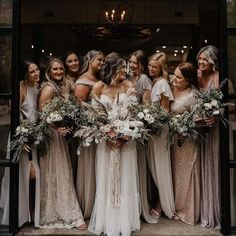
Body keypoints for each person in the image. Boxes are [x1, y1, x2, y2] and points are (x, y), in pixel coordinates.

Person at [88, 52, 140, 236]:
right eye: (120, 70)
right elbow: (93, 117)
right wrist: (106, 134)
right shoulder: (98, 87)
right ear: (110, 70)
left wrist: (124, 137)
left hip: (125, 143)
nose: (124, 73)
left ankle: (124, 221)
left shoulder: (129, 86)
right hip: (105, 144)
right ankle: (106, 220)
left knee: (124, 178)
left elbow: (134, 115)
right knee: (106, 179)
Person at [38, 58, 86, 229]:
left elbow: (74, 104)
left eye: (60, 69)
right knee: (58, 172)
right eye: (55, 69)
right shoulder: (49, 88)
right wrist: (56, 127)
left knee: (62, 172)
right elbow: (42, 113)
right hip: (52, 136)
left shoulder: (63, 86)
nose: (58, 72)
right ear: (49, 72)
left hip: (61, 136)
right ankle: (69, 214)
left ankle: (65, 209)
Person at [0, 61, 41, 227]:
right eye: (32, 72)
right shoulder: (21, 88)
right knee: (21, 176)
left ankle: (30, 213)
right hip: (21, 137)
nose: (37, 73)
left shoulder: (37, 87)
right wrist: (21, 139)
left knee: (32, 176)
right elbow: (15, 116)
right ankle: (17, 216)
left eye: (37, 69)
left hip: (33, 138)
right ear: (25, 74)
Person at [74, 50, 104, 220]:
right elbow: (79, 108)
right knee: (89, 166)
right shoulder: (83, 80)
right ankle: (88, 204)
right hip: (88, 130)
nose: (102, 63)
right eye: (99, 59)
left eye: (103, 60)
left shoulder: (98, 79)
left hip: (99, 129)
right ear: (90, 59)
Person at [128, 50, 157, 224]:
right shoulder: (129, 79)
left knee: (139, 166)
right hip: (127, 126)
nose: (132, 65)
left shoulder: (144, 80)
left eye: (135, 63)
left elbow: (146, 106)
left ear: (142, 65)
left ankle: (141, 206)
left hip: (139, 128)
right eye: (130, 62)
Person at [170, 62, 200, 225]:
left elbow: (197, 120)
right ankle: (172, 205)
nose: (174, 79)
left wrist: (184, 128)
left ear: (188, 80)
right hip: (171, 141)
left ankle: (185, 208)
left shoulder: (192, 95)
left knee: (185, 174)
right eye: (174, 75)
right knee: (173, 173)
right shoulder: (170, 89)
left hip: (186, 142)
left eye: (178, 77)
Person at [147, 52, 175, 219]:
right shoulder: (155, 82)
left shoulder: (163, 83)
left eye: (154, 67)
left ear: (162, 68)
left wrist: (152, 120)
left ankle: (162, 205)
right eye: (149, 65)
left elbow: (166, 110)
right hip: (153, 130)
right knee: (155, 167)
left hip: (160, 131)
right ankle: (159, 200)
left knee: (160, 168)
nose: (151, 68)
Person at [197, 45, 221, 229]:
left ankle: (218, 209)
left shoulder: (220, 77)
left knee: (216, 165)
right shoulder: (199, 78)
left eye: (205, 59)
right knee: (204, 165)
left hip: (217, 129)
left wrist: (217, 113)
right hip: (202, 129)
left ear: (213, 59)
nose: (201, 62)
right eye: (199, 59)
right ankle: (205, 209)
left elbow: (232, 105)